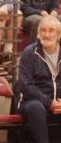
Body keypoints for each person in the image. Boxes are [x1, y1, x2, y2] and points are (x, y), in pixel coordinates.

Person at [18, 15, 61, 143]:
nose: (46, 35)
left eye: (51, 30)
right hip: (32, 101)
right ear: (38, 33)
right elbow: (26, 86)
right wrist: (50, 103)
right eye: (43, 30)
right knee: (36, 108)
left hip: (58, 102)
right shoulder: (29, 53)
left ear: (59, 35)